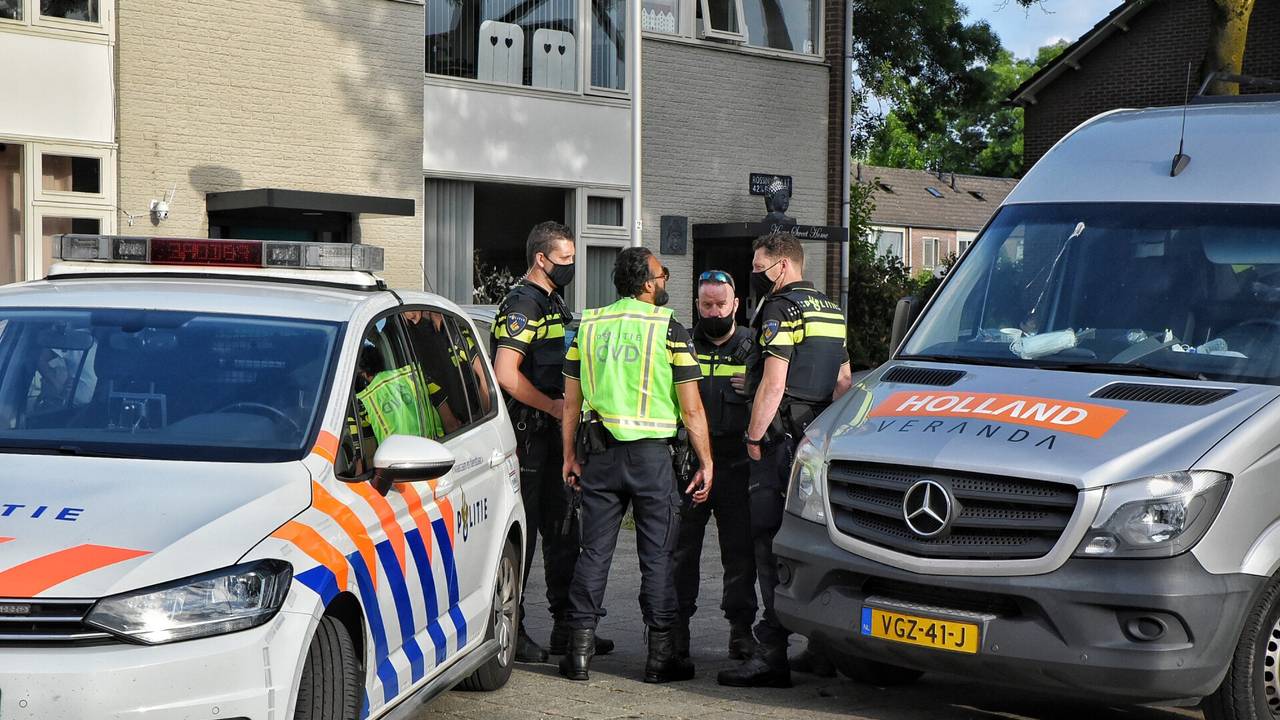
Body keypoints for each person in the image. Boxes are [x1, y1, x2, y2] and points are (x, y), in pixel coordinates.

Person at [558, 247, 714, 683]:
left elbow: (571, 402)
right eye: (662, 274)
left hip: (600, 455)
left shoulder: (588, 325)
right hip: (651, 460)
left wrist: (569, 454)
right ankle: (661, 659)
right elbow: (693, 409)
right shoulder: (669, 329)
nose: (665, 280)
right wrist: (706, 461)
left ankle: (579, 653)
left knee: (593, 553)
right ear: (648, 283)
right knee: (659, 556)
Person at [718, 231, 853, 689]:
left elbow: (775, 384)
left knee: (767, 542)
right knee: (817, 542)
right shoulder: (832, 311)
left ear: (783, 266)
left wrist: (754, 436)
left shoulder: (779, 309)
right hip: (815, 442)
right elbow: (843, 382)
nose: (755, 275)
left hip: (776, 445)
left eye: (759, 268)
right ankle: (822, 648)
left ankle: (770, 653)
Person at [491, 222, 612, 663]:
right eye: (565, 260)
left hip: (553, 437)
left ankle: (568, 627)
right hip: (528, 437)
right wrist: (552, 407)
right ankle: (511, 627)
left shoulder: (551, 301)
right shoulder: (523, 303)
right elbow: (506, 373)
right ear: (541, 259)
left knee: (565, 533)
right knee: (525, 537)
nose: (571, 267)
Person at [673, 270, 759, 665]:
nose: (713, 312)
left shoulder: (754, 348)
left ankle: (741, 631)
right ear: (696, 305)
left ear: (736, 305)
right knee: (681, 551)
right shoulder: (682, 344)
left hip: (737, 463)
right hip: (690, 463)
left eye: (720, 304)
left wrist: (756, 386)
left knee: (739, 553)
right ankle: (676, 631)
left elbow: (782, 392)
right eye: (706, 305)